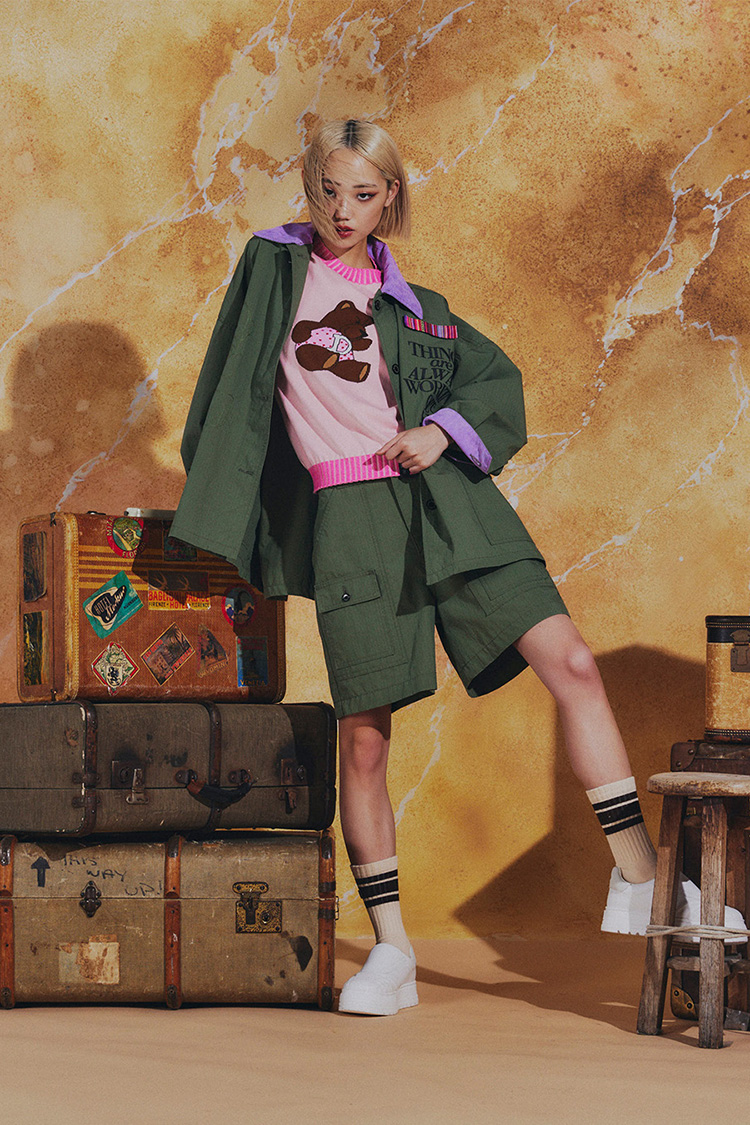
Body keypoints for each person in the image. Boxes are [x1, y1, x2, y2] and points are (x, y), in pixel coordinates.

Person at [171, 118, 745, 1016]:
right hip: (352, 514)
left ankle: (639, 875)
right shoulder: (274, 268)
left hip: (449, 502)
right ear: (310, 187)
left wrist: (441, 431)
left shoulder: (420, 307)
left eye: (364, 194)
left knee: (573, 662)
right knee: (365, 740)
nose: (343, 210)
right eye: (328, 190)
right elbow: (229, 388)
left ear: (390, 197)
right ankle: (393, 951)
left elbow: (497, 383)